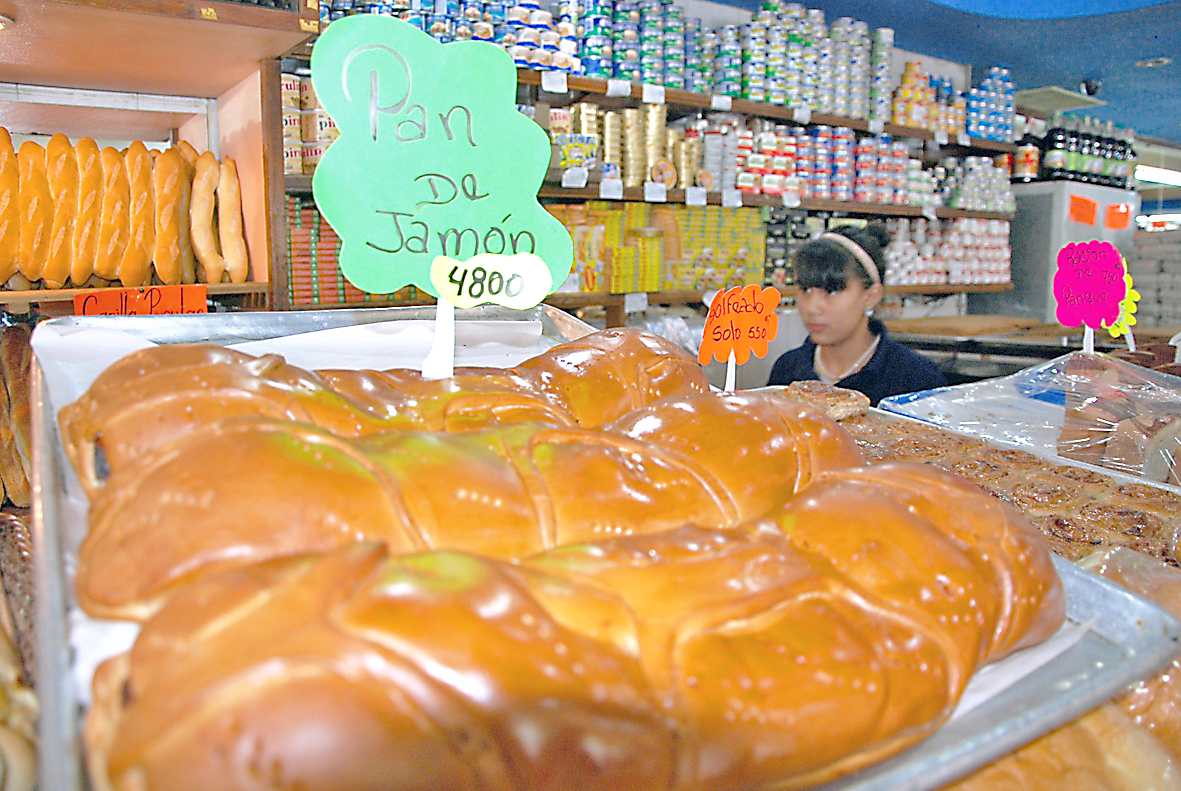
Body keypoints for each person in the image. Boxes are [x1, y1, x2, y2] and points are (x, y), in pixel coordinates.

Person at [766, 224, 945, 406]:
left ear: (871, 296)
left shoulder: (916, 380)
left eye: (832, 291)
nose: (812, 307)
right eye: (805, 289)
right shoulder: (787, 369)